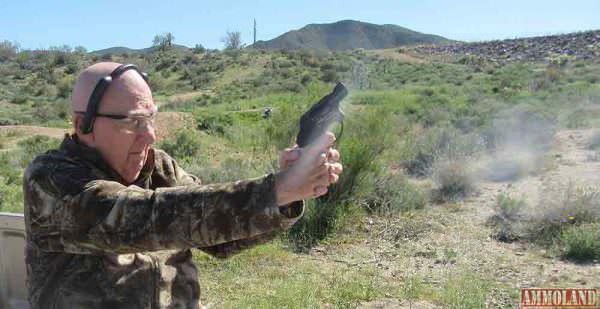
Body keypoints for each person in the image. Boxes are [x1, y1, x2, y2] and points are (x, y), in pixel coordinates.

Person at [23, 62, 343, 308]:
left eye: (151, 119)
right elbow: (144, 217)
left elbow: (219, 236)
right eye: (133, 122)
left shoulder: (157, 166)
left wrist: (286, 198)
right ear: (83, 125)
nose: (149, 136)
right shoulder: (52, 181)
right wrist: (276, 189)